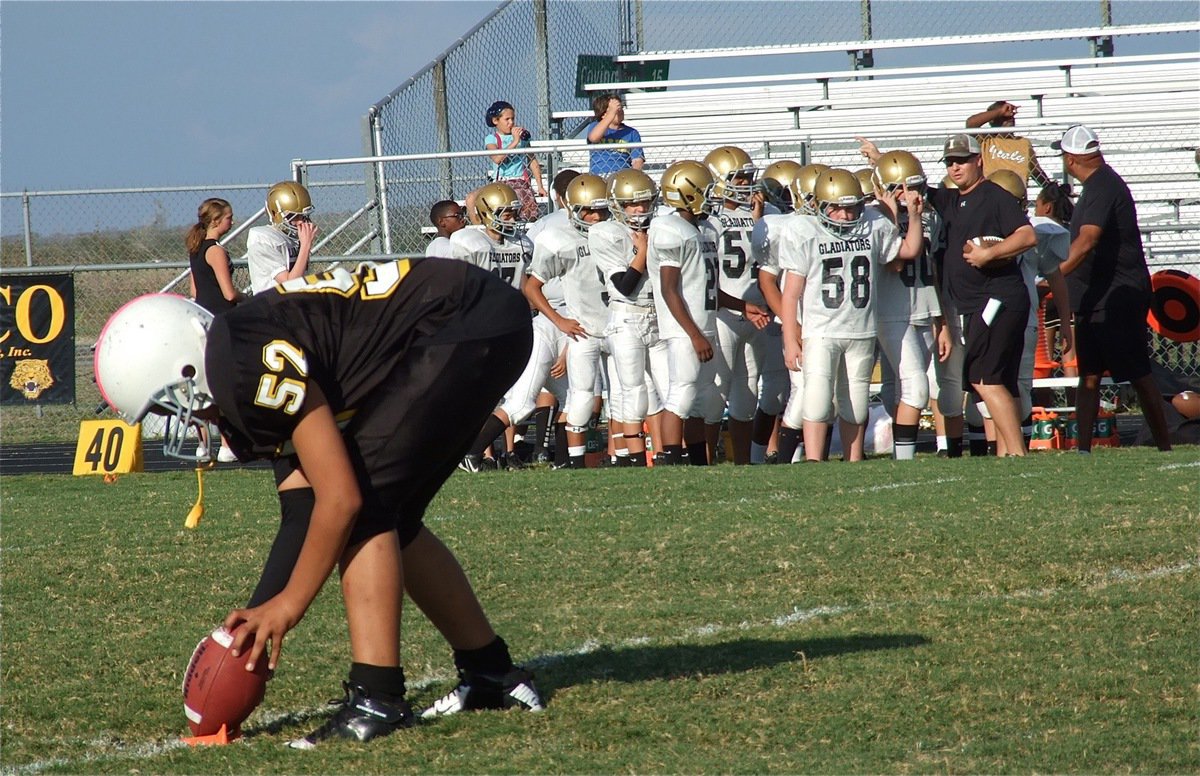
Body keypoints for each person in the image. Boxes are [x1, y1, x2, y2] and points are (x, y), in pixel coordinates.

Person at [92, 258, 545, 748]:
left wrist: (288, 606)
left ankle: (378, 699)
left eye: (168, 403)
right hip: (465, 320)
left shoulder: (242, 365)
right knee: (395, 517)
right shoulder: (236, 356)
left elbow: (341, 501)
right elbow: (302, 510)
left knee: (369, 506)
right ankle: (491, 674)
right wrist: (254, 626)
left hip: (465, 319)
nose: (176, 417)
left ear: (183, 366)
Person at [1052, 124, 1172, 452]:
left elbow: (1087, 240)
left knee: (1137, 372)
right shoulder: (1097, 186)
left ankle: (1164, 444)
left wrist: (1055, 275)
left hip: (1116, 295)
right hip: (1097, 295)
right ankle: (1083, 449)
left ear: (1072, 158)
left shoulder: (1103, 186)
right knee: (1089, 375)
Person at [778, 168, 904, 462]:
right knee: (817, 400)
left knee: (856, 405)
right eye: (837, 209)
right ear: (820, 206)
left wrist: (896, 215)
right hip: (821, 329)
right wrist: (790, 338)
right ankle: (813, 459)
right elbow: (790, 293)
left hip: (860, 328)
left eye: (851, 208)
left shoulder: (872, 224)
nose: (846, 215)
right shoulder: (804, 230)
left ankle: (853, 460)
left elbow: (903, 254)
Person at [650, 160, 770, 465]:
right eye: (703, 190)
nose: (710, 195)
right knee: (681, 395)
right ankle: (670, 461)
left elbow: (709, 289)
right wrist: (693, 335)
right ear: (688, 194)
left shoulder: (703, 229)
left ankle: (696, 463)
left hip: (702, 326)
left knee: (699, 401)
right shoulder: (670, 229)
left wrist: (743, 305)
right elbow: (669, 290)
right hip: (684, 330)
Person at [927, 133, 1038, 457]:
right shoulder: (951, 199)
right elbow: (919, 189)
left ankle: (1017, 453)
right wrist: (878, 160)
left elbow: (1028, 235)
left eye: (961, 160)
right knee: (999, 378)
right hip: (984, 302)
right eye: (950, 161)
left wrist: (990, 255)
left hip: (997, 300)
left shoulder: (994, 196)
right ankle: (1007, 453)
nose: (955, 167)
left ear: (979, 160)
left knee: (983, 377)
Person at [523, 173, 613, 469]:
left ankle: (610, 456)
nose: (595, 216)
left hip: (609, 320)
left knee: (618, 394)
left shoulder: (615, 229)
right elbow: (532, 282)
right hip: (569, 320)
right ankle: (558, 455)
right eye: (589, 208)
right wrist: (560, 322)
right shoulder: (552, 232)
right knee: (578, 394)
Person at [703, 145, 779, 464]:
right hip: (723, 314)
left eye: (749, 177)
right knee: (714, 395)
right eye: (739, 177)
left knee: (747, 395)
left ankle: (744, 464)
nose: (747, 184)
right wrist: (741, 305)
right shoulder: (710, 219)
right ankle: (702, 462)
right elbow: (704, 281)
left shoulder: (769, 214)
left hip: (758, 314)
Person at [592, 168, 667, 468]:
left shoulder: (660, 226)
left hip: (658, 315)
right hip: (626, 317)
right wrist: (643, 252)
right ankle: (636, 457)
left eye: (645, 203)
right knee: (633, 388)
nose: (640, 210)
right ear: (617, 205)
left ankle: (665, 453)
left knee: (667, 387)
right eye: (633, 204)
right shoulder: (605, 232)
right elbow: (624, 286)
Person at [186, 197, 245, 463]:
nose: (232, 221)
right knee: (224, 383)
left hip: (200, 318)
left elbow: (194, 291)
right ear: (217, 220)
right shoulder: (216, 251)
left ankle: (202, 444)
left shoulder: (195, 249)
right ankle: (226, 445)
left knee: (202, 382)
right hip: (220, 322)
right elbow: (229, 293)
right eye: (229, 217)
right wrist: (250, 300)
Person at [472, 100, 546, 223]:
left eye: (512, 119)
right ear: (496, 121)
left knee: (524, 203)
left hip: (520, 181)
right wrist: (514, 142)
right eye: (507, 119)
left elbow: (532, 161)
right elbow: (496, 158)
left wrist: (540, 186)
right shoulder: (492, 139)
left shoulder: (522, 138)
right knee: (471, 198)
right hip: (501, 182)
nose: (511, 123)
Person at [247, 181, 318, 295]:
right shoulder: (263, 240)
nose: (300, 221)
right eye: (293, 216)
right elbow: (289, 285)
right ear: (275, 213)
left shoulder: (290, 238)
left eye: (302, 216)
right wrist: (305, 245)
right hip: (272, 309)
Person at [965, 100, 1052, 187]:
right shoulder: (986, 140)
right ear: (992, 121)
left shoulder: (1023, 143)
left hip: (1018, 196)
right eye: (1004, 118)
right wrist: (1000, 111)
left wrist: (1050, 189)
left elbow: (1036, 172)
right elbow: (970, 124)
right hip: (990, 195)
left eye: (1011, 117)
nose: (1010, 120)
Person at [585, 93, 645, 175]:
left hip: (622, 176)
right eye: (615, 109)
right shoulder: (595, 126)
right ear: (604, 114)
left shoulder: (632, 133)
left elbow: (637, 160)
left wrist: (634, 176)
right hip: (598, 175)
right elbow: (594, 137)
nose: (620, 111)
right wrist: (611, 114)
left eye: (621, 108)